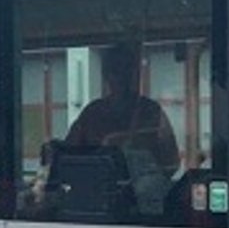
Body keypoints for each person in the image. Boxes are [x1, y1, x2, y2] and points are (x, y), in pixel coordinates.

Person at [64, 44, 180, 178]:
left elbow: (172, 161)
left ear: (135, 75)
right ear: (106, 75)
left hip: (143, 194)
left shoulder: (151, 111)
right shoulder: (92, 114)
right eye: (116, 71)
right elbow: (69, 156)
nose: (122, 78)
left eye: (127, 70)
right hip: (99, 192)